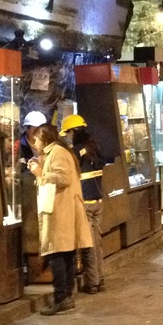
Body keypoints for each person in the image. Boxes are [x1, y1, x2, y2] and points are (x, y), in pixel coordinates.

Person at [29, 124, 94, 315]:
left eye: (37, 139)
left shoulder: (57, 152)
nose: (35, 143)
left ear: (45, 138)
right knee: (66, 253)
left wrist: (39, 173)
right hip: (62, 210)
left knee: (57, 253)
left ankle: (61, 297)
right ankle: (66, 297)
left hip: (60, 210)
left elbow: (62, 177)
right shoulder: (57, 151)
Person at [61, 114, 107, 294]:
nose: (67, 136)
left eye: (68, 133)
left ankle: (92, 283)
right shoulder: (95, 147)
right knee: (96, 241)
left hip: (85, 202)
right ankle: (100, 278)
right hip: (98, 200)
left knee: (88, 243)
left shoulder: (75, 151)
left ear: (74, 131)